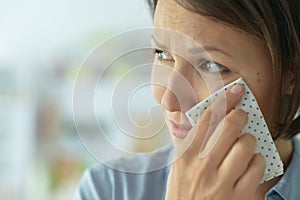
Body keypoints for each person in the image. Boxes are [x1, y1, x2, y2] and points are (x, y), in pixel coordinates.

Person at [75, 0, 300, 199]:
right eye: (162, 54)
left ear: (289, 76)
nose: (167, 99)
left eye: (212, 65)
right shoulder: (107, 190)